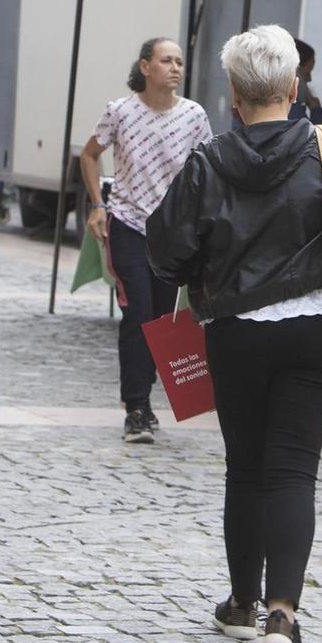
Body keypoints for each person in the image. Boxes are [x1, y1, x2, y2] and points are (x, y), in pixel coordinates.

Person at [148, 25, 322, 643]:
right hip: (315, 329)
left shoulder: (208, 161)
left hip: (237, 332)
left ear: (233, 96)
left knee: (245, 467)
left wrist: (208, 265)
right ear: (295, 87)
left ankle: (242, 603)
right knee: (294, 472)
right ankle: (284, 616)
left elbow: (165, 252)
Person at [81, 37, 213, 445]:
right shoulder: (119, 112)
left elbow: (207, 169)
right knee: (137, 311)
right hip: (128, 224)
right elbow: (89, 154)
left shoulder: (194, 116)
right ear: (144, 67)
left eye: (179, 62)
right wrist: (98, 204)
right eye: (165, 60)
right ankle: (136, 406)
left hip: (172, 234)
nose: (175, 67)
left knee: (160, 320)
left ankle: (146, 399)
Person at [288, 39, 322, 124]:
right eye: (307, 73)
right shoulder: (292, 110)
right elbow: (313, 137)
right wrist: (317, 111)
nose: (309, 79)